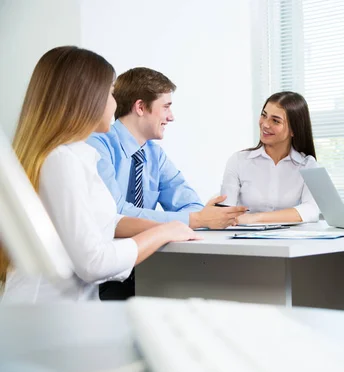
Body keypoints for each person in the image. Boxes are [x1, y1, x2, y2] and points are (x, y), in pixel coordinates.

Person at [0, 46, 201, 303]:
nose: (116, 104)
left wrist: (175, 225)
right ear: (86, 98)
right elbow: (93, 263)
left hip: (66, 312)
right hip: (44, 315)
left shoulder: (77, 155)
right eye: (110, 93)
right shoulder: (61, 160)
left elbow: (106, 220)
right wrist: (163, 233)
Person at [87, 67, 246, 300]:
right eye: (166, 107)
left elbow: (191, 205)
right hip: (103, 275)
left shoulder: (154, 154)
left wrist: (196, 217)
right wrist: (195, 220)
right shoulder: (97, 145)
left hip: (147, 269)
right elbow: (116, 215)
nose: (171, 117)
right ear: (141, 107)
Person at [220, 91, 320, 223]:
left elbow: (311, 210)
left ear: (293, 130)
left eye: (275, 121)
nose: (265, 124)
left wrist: (257, 217)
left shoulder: (308, 165)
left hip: (291, 240)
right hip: (244, 239)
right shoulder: (239, 160)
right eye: (264, 115)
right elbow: (226, 210)